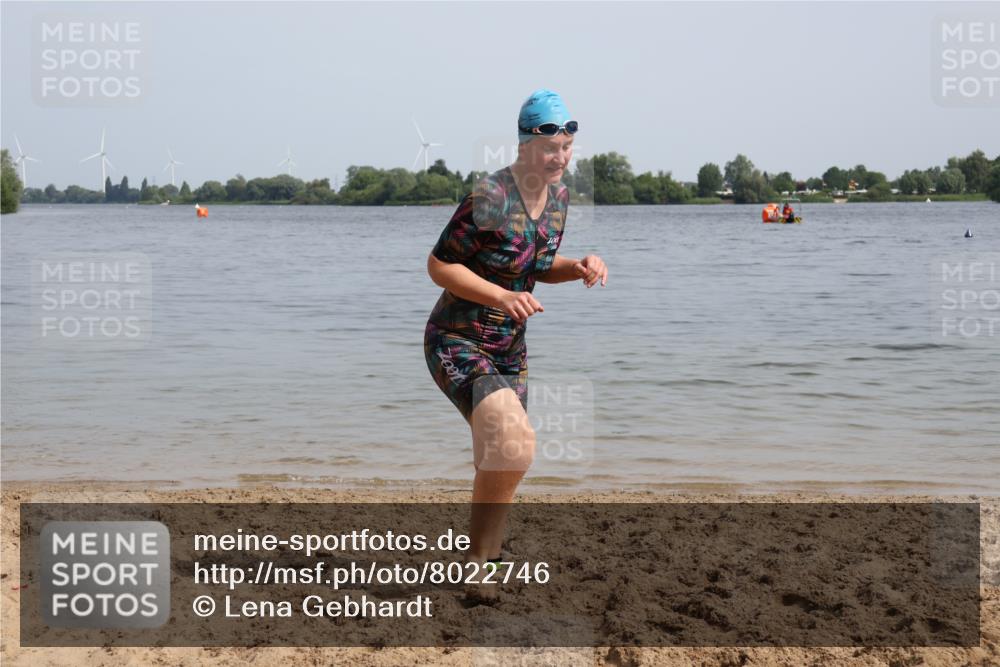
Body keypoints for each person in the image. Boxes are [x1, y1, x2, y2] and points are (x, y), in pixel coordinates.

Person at [424, 89, 608, 591]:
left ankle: (482, 557)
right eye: (551, 147)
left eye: (568, 147)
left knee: (501, 454)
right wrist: (502, 297)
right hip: (458, 340)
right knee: (516, 444)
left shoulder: (561, 199)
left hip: (510, 349)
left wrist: (580, 266)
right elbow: (440, 265)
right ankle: (479, 567)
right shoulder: (489, 197)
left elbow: (538, 264)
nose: (561, 157)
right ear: (526, 144)